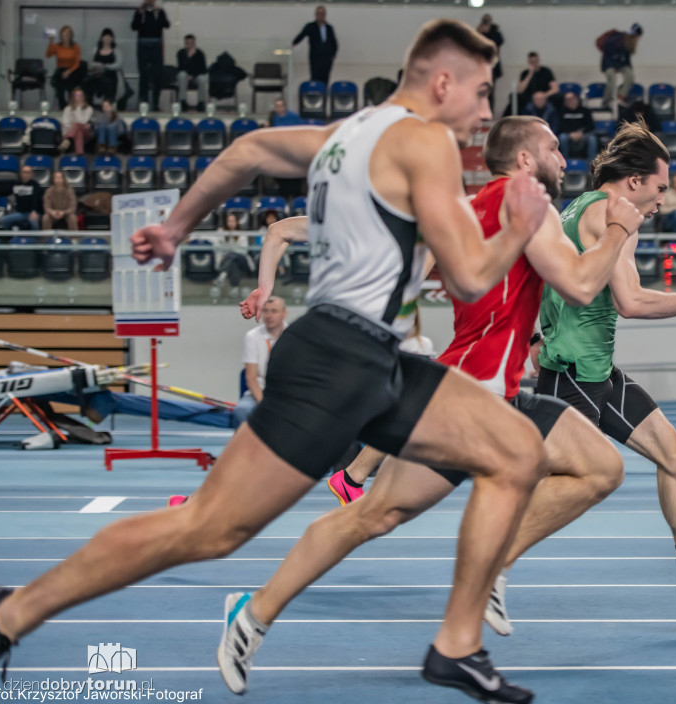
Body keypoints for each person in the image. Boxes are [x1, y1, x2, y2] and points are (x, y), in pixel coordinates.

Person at [0, 19, 554, 704]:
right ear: (443, 82)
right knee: (207, 530)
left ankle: (456, 646)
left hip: (375, 357)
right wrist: (520, 229)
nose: (486, 111)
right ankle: (11, 613)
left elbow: (248, 149)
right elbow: (470, 277)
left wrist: (177, 226)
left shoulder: (349, 135)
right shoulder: (426, 138)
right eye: (480, 91)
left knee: (517, 451)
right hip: (338, 361)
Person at [227, 114, 642, 694]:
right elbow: (578, 284)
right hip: (472, 398)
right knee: (574, 470)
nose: (563, 157)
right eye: (552, 148)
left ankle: (254, 613)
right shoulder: (528, 203)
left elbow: (378, 259)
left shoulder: (463, 211)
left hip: (476, 392)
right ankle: (463, 623)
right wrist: (619, 230)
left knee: (377, 515)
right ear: (523, 160)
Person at [536, 120, 676, 619]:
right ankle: (489, 563)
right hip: (573, 373)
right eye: (660, 188)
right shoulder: (610, 214)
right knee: (561, 482)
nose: (663, 200)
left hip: (593, 369)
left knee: (675, 453)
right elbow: (632, 301)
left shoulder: (583, 206)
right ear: (634, 181)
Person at [233, 295, 288, 426]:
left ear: (284, 314)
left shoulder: (294, 335)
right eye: (265, 310)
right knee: (241, 411)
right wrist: (265, 405)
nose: (269, 315)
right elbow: (251, 378)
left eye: (274, 311)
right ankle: (247, 446)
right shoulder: (252, 337)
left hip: (287, 394)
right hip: (259, 392)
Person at [131, 0, 170, 111]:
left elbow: (166, 25)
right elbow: (134, 26)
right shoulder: (140, 12)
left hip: (156, 44)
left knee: (157, 75)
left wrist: (159, 13)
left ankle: (155, 104)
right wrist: (139, 14)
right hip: (143, 44)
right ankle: (144, 103)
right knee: (143, 75)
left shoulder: (159, 11)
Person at [599, 23, 642, 109]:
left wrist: (628, 68)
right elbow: (606, 48)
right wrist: (614, 62)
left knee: (630, 76)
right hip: (609, 63)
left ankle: (621, 94)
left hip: (620, 64)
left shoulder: (629, 44)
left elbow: (627, 60)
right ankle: (606, 102)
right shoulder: (618, 38)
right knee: (612, 80)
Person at [293, 5, 338, 85]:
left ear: (325, 15)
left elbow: (334, 42)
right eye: (319, 13)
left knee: (325, 79)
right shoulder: (310, 26)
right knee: (315, 79)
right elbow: (301, 36)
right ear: (315, 14)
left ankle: (324, 95)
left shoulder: (329, 28)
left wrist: (333, 54)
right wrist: (293, 44)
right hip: (315, 59)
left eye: (322, 14)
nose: (321, 15)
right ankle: (314, 95)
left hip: (327, 59)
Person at [45, 25, 82, 110]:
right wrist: (50, 42)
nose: (67, 34)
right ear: (61, 34)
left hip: (73, 70)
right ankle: (62, 107)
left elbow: (77, 63)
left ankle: (72, 107)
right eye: (65, 32)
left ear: (71, 35)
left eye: (69, 33)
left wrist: (68, 72)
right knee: (59, 87)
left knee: (71, 87)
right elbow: (48, 55)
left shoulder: (76, 46)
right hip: (60, 70)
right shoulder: (57, 46)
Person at [0, 166, 43, 231]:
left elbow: (36, 199)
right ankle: (7, 239)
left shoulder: (35, 185)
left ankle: (36, 239)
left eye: (29, 172)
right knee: (3, 220)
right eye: (25, 172)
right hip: (20, 213)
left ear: (31, 174)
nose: (27, 174)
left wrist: (34, 211)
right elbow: (4, 191)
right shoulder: (16, 184)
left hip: (32, 213)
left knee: (34, 222)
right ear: (21, 174)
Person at [85, 28, 122, 103]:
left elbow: (118, 65)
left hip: (110, 78)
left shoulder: (116, 51)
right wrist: (96, 65)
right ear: (102, 38)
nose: (107, 39)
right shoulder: (95, 50)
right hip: (96, 77)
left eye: (109, 37)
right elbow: (89, 64)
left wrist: (105, 66)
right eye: (105, 37)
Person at [476, 14, 504, 111]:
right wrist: (479, 31)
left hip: (492, 66)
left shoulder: (496, 33)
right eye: (484, 19)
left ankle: (489, 111)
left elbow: (498, 42)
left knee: (490, 91)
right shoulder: (479, 31)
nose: (485, 21)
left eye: (487, 20)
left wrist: (488, 32)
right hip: (480, 65)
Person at [558, 91, 596, 159]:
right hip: (568, 135)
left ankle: (592, 163)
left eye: (571, 99)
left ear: (576, 99)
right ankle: (564, 162)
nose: (570, 101)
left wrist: (581, 133)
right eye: (567, 100)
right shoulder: (562, 111)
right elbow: (560, 126)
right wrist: (570, 133)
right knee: (562, 137)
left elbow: (591, 125)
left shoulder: (585, 111)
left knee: (592, 139)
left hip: (583, 134)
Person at [176, 34, 209, 112]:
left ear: (194, 43)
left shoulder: (200, 53)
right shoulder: (181, 53)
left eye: (191, 43)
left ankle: (201, 102)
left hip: (196, 76)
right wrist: (188, 57)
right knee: (182, 75)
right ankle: (182, 101)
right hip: (185, 76)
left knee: (202, 79)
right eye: (187, 43)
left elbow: (203, 69)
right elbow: (181, 67)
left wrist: (193, 75)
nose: (189, 45)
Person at [59, 88, 93, 155]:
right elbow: (65, 123)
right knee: (78, 131)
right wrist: (74, 126)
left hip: (85, 133)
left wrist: (78, 108)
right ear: (73, 97)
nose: (79, 98)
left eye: (81, 96)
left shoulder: (89, 109)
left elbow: (83, 122)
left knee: (78, 125)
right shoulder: (67, 108)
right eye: (77, 95)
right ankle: (79, 154)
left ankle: (67, 140)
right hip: (70, 131)